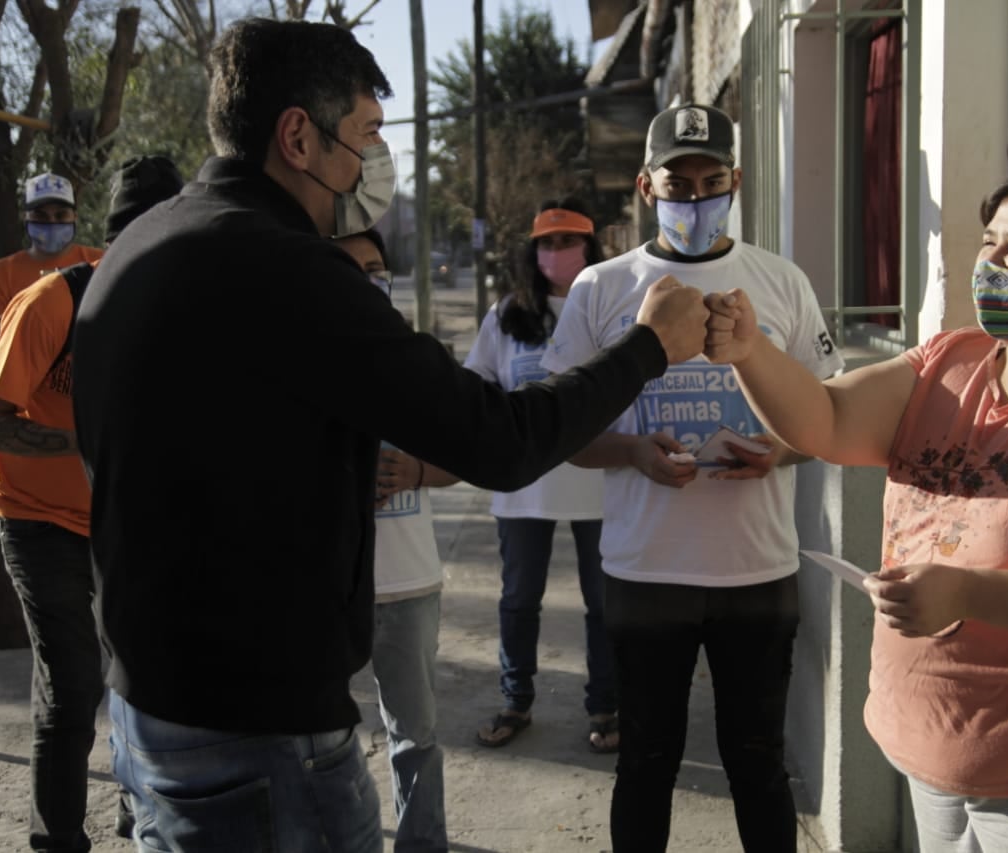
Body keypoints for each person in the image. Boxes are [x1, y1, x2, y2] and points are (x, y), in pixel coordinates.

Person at [70, 18, 709, 853]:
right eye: (365, 136)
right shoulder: (292, 272)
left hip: (146, 713)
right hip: (262, 740)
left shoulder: (134, 252)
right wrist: (649, 345)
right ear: (297, 134)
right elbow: (498, 439)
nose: (369, 166)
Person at [704, 160, 1008, 852]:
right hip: (924, 752)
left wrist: (966, 591)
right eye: (987, 241)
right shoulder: (951, 360)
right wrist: (750, 353)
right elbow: (826, 421)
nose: (990, 261)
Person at [542, 104, 845, 851]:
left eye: (713, 181)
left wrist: (782, 448)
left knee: (758, 764)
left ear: (737, 181)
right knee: (646, 762)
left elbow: (829, 416)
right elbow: (564, 433)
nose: (696, 198)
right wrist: (634, 454)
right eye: (679, 183)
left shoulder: (783, 283)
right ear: (647, 186)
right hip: (647, 572)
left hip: (758, 572)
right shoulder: (601, 289)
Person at [0, 155, 184, 853]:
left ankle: (136, 809)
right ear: (122, 242)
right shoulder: (48, 302)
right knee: (71, 685)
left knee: (138, 667)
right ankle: (57, 839)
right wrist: (83, 440)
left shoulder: (165, 309)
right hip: (32, 513)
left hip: (113, 511)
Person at [464, 198, 618, 753]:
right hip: (524, 486)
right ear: (533, 252)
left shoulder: (608, 309)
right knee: (519, 599)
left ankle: (605, 706)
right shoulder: (508, 314)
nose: (558, 253)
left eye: (569, 241)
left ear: (591, 247)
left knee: (603, 603)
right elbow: (476, 381)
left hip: (598, 485)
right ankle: (515, 702)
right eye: (548, 243)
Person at [336, 227, 458, 851]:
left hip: (410, 585)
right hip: (329, 587)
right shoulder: (306, 365)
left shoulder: (417, 360)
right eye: (349, 268)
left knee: (416, 736)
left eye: (375, 266)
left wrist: (415, 471)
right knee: (320, 744)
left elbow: (466, 454)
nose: (368, 278)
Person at [0, 172, 104, 356]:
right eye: (41, 215)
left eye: (61, 215)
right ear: (26, 217)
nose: (52, 223)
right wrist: (28, 319)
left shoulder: (100, 263)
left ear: (75, 217)